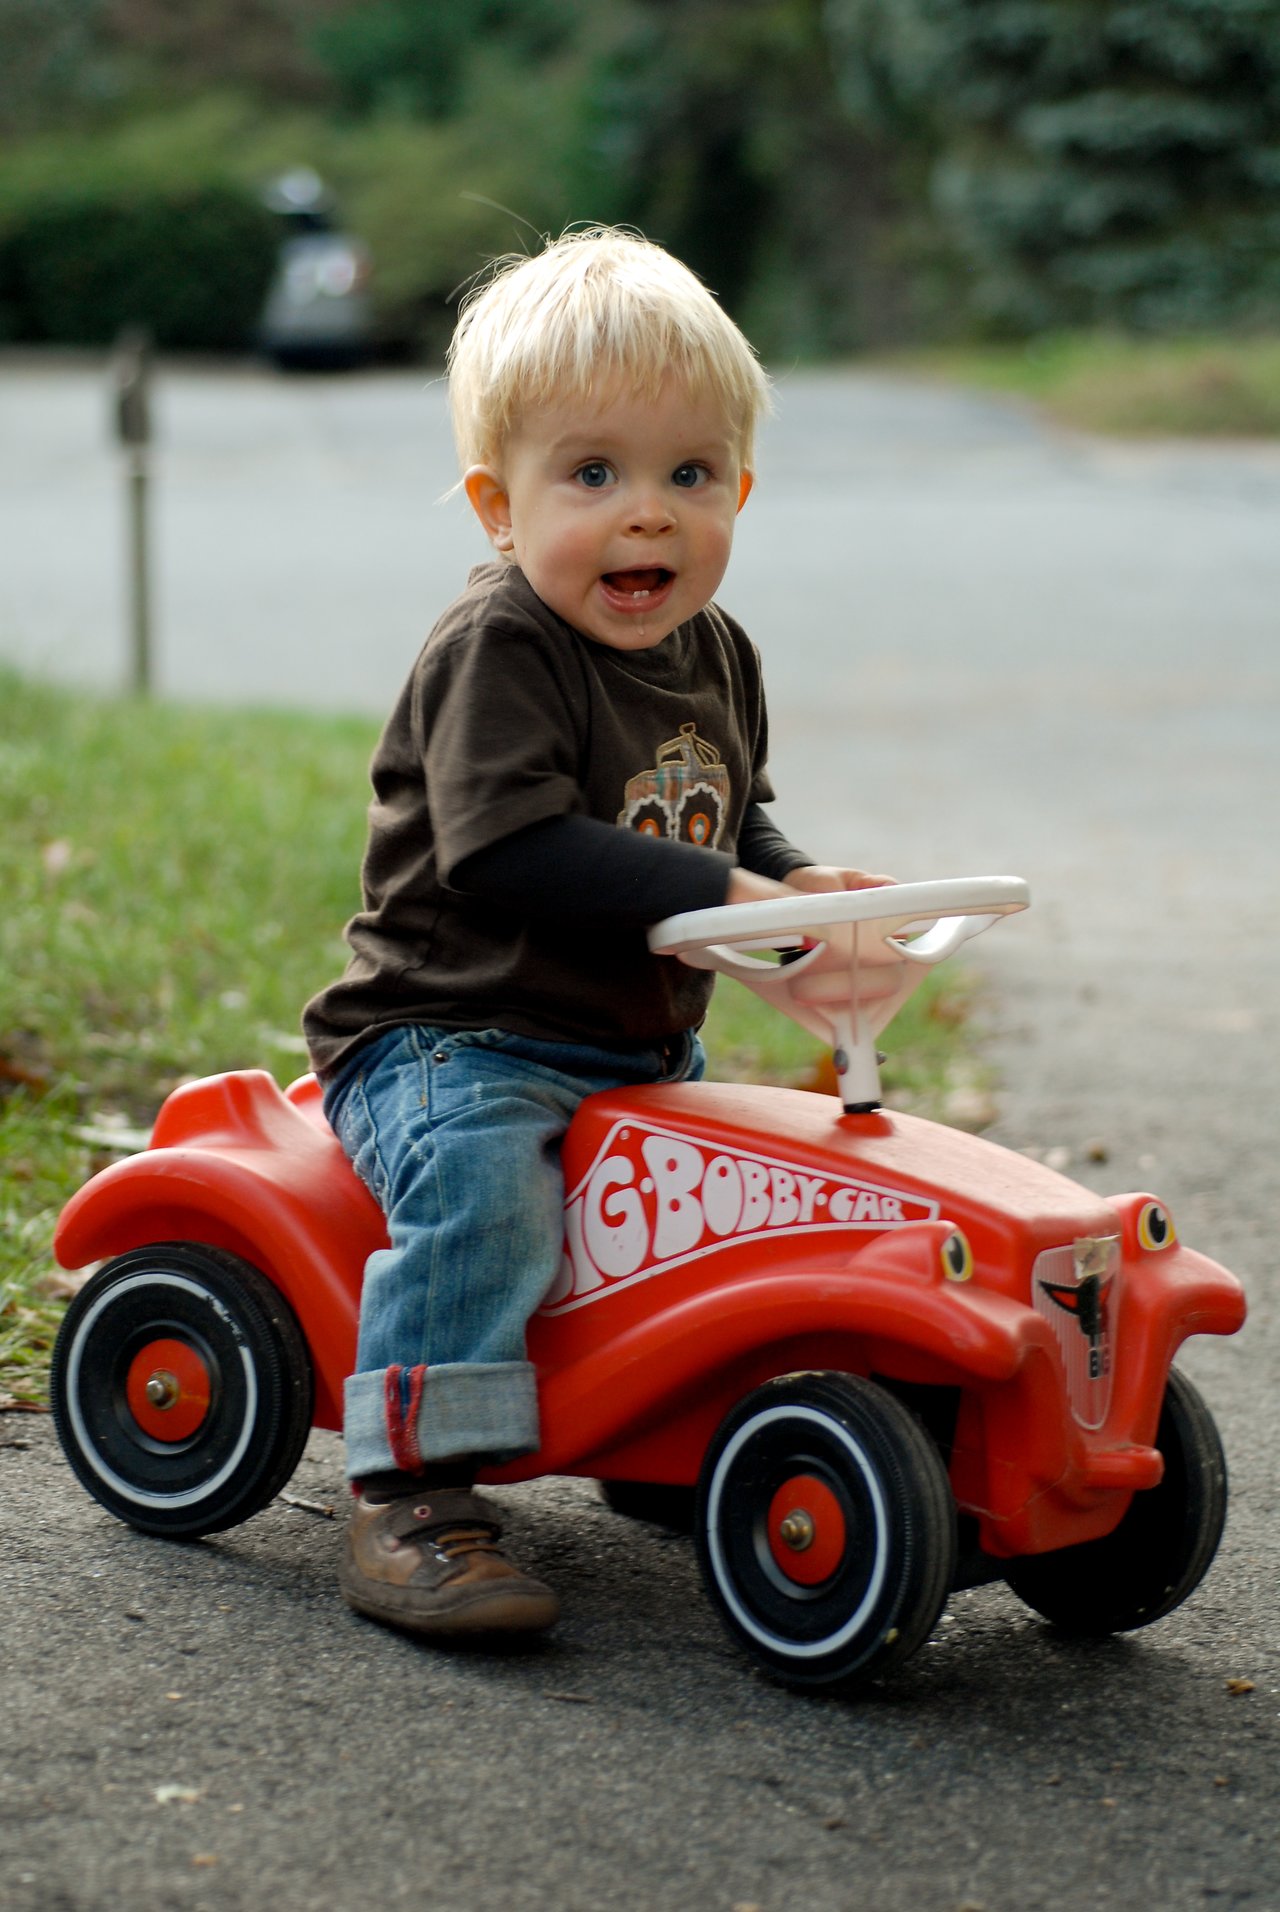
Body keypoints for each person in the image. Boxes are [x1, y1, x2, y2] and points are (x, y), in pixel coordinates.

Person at [303, 227, 885, 1640]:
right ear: (499, 506)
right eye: (594, 475)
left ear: (739, 489)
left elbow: (726, 822)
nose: (648, 518)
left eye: (689, 476)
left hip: (627, 1045)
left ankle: (660, 1430)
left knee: (731, 1206)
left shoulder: (717, 652)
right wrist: (733, 906)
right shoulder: (498, 647)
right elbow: (506, 846)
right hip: (456, 1038)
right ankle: (415, 1493)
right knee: (490, 1200)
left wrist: (811, 903)